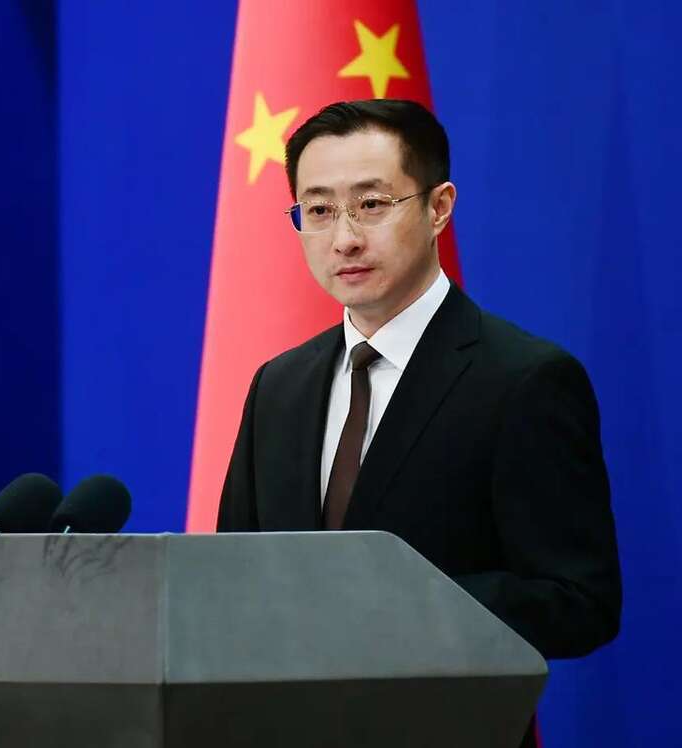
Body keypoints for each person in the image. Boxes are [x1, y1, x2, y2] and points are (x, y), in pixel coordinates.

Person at [216, 99, 621, 748]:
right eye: (318, 211)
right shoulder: (278, 387)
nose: (344, 238)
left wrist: (395, 607)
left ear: (439, 208)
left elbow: (580, 602)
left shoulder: (524, 380)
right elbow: (232, 582)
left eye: (372, 204)